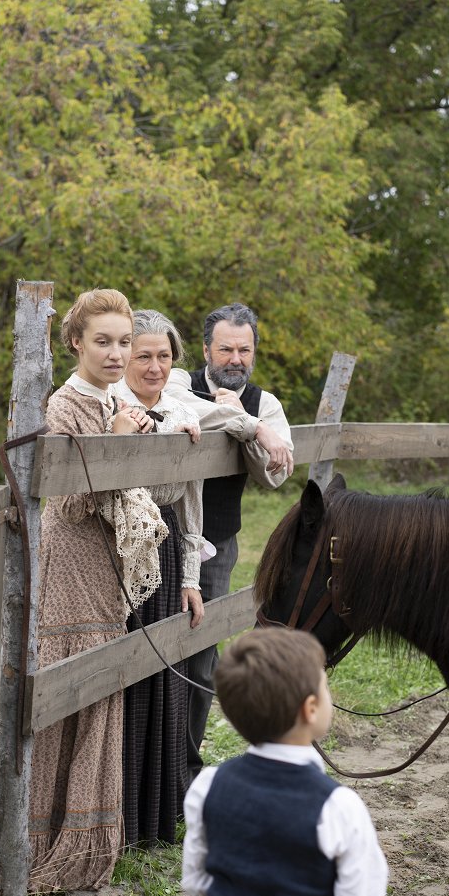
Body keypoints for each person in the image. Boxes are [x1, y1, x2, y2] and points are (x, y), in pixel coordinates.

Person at [28, 288, 162, 892]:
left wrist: (135, 431)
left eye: (123, 342)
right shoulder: (65, 404)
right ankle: (32, 840)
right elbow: (74, 497)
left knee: (98, 682)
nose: (116, 353)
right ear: (76, 342)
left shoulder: (115, 398)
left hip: (102, 564)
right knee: (64, 690)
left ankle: (81, 842)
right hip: (68, 559)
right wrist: (118, 433)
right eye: (103, 341)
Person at [182, 628, 388, 896]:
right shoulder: (339, 807)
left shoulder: (208, 784)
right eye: (325, 686)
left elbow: (196, 878)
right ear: (310, 709)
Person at [165, 302, 294, 783]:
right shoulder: (176, 381)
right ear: (205, 350)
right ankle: (144, 768)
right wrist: (244, 424)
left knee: (200, 656)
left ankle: (184, 771)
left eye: (245, 349)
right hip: (157, 537)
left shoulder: (266, 403)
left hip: (216, 543)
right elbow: (177, 407)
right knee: (143, 648)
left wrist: (248, 421)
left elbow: (276, 476)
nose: (235, 359)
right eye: (226, 349)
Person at [111, 309, 204, 847]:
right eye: (142, 355)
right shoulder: (109, 407)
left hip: (163, 554)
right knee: (116, 674)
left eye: (162, 356)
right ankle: (114, 814)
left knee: (161, 675)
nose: (153, 366)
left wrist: (191, 577)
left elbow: (191, 508)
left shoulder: (182, 409)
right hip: (115, 554)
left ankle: (151, 817)